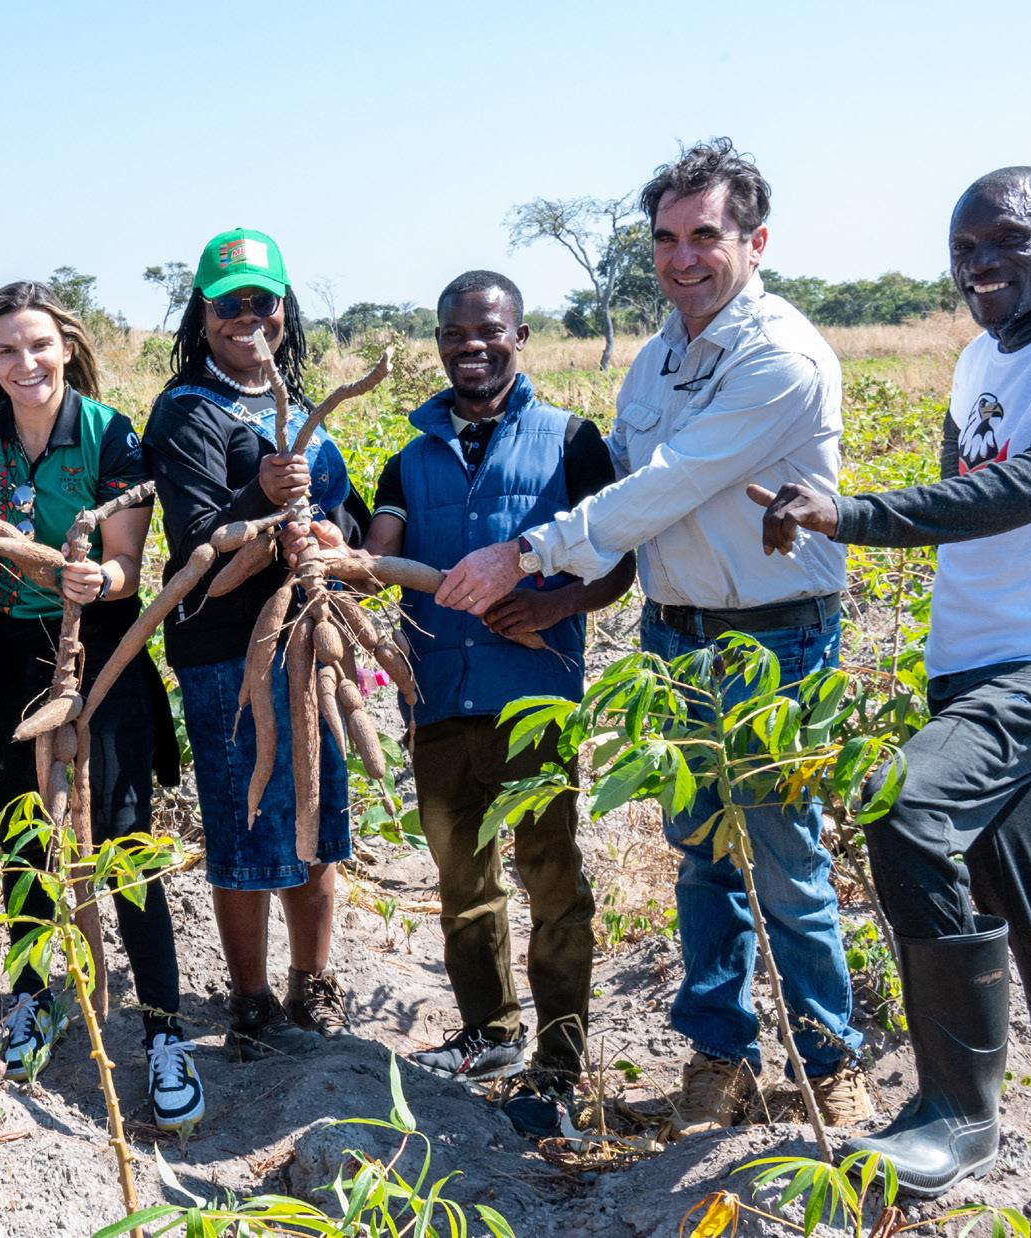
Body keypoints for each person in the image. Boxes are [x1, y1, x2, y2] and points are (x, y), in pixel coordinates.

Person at [440, 139, 871, 1134]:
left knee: (784, 858)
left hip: (774, 642)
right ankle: (720, 1055)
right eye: (666, 239)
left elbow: (664, 487)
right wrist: (562, 589)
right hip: (674, 640)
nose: (682, 258)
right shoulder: (653, 359)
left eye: (704, 236)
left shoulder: (781, 356)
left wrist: (524, 554)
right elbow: (627, 505)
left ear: (755, 242)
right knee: (701, 856)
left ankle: (827, 1061)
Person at [753, 167, 1031, 1195]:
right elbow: (961, 494)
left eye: (1003, 241)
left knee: (906, 807)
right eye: (962, 249)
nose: (977, 264)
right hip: (969, 655)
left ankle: (956, 1115)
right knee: (1026, 886)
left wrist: (849, 513)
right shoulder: (980, 356)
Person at [361, 273, 632, 1137]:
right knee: (460, 880)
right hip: (438, 699)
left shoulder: (571, 440)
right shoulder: (407, 458)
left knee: (550, 876)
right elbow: (379, 553)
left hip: (532, 700)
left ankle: (558, 1060)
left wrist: (555, 606)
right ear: (439, 342)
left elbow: (618, 562)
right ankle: (488, 1034)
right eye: (454, 333)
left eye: (487, 330)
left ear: (519, 336)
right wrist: (339, 546)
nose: (470, 346)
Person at [0, 281, 201, 1128]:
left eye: (39, 345)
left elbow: (125, 563)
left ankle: (163, 1031)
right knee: (23, 831)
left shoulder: (109, 433)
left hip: (101, 645)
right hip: (10, 646)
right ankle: (32, 998)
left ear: (67, 348)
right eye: (6, 350)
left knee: (120, 836)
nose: (26, 363)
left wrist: (96, 577)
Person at [142, 228, 370, 1059]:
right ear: (201, 316)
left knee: (317, 818)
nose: (247, 317)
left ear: (283, 309)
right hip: (227, 652)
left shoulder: (292, 401)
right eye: (227, 303)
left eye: (261, 301)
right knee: (246, 824)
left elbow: (343, 511)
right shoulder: (186, 410)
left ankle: (312, 983)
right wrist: (260, 496)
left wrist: (336, 539)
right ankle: (249, 1000)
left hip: (311, 640)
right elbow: (196, 541)